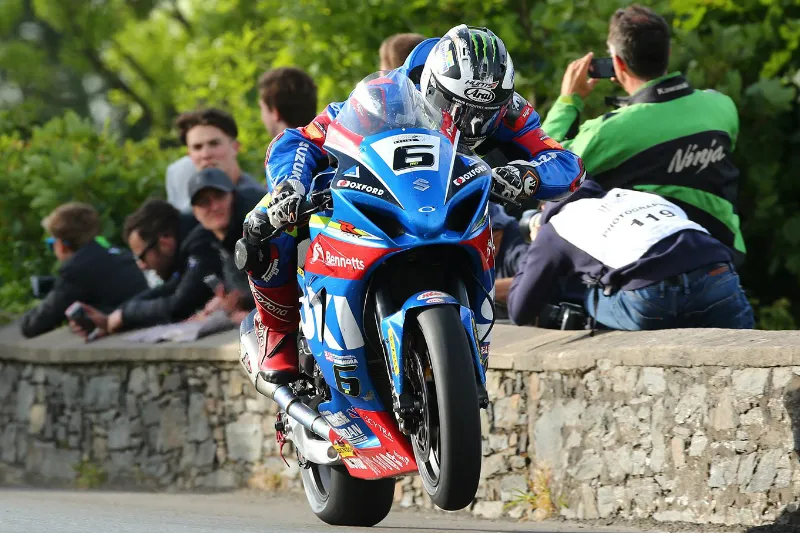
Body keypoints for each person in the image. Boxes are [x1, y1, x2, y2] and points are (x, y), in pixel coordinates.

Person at [241, 24, 588, 385]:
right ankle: (277, 330)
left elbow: (565, 162)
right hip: (374, 194)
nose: (468, 123)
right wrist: (288, 186)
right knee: (264, 220)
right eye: (456, 108)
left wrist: (529, 175)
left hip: (452, 202)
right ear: (432, 87)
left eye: (483, 114)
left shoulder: (507, 109)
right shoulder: (383, 94)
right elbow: (300, 138)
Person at [541, 4, 745, 265]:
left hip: (652, 269)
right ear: (668, 53)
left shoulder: (609, 131)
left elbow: (545, 169)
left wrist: (568, 101)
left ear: (617, 63)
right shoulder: (721, 106)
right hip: (725, 258)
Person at [506, 181, 754, 330]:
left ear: (543, 206)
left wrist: (536, 243)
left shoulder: (555, 228)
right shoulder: (637, 196)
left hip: (653, 296)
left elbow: (519, 310)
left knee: (589, 292)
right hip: (717, 273)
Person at [72, 200, 223, 335]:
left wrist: (125, 315)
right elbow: (171, 288)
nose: (142, 266)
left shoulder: (200, 244)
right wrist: (116, 314)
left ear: (165, 242)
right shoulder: (186, 241)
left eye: (142, 257)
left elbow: (179, 305)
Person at [19, 202, 148, 338]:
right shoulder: (119, 254)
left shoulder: (75, 269)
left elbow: (33, 325)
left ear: (62, 245)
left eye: (52, 244)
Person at [186, 168, 263, 323]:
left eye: (219, 196)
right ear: (194, 211)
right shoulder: (202, 242)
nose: (214, 207)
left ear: (233, 197)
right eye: (204, 202)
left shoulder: (259, 227)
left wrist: (254, 313)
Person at [168, 108, 265, 212]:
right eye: (197, 147)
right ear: (189, 155)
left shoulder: (261, 204)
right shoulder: (184, 201)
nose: (205, 154)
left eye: (214, 144)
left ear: (235, 147)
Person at [258, 67, 318, 138]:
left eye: (262, 108)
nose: (262, 119)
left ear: (275, 112)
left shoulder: (282, 148)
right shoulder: (330, 142)